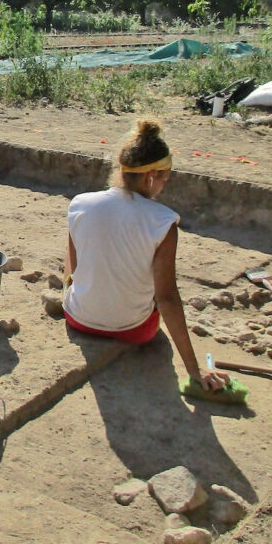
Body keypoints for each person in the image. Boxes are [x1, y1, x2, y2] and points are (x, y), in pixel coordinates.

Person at [63, 120, 228, 392]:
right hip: (134, 330)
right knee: (150, 284)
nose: (165, 184)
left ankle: (79, 298)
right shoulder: (162, 222)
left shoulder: (79, 203)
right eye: (165, 177)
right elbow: (166, 298)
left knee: (81, 231)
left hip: (79, 320)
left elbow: (75, 266)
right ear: (151, 176)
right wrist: (194, 369)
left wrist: (71, 288)